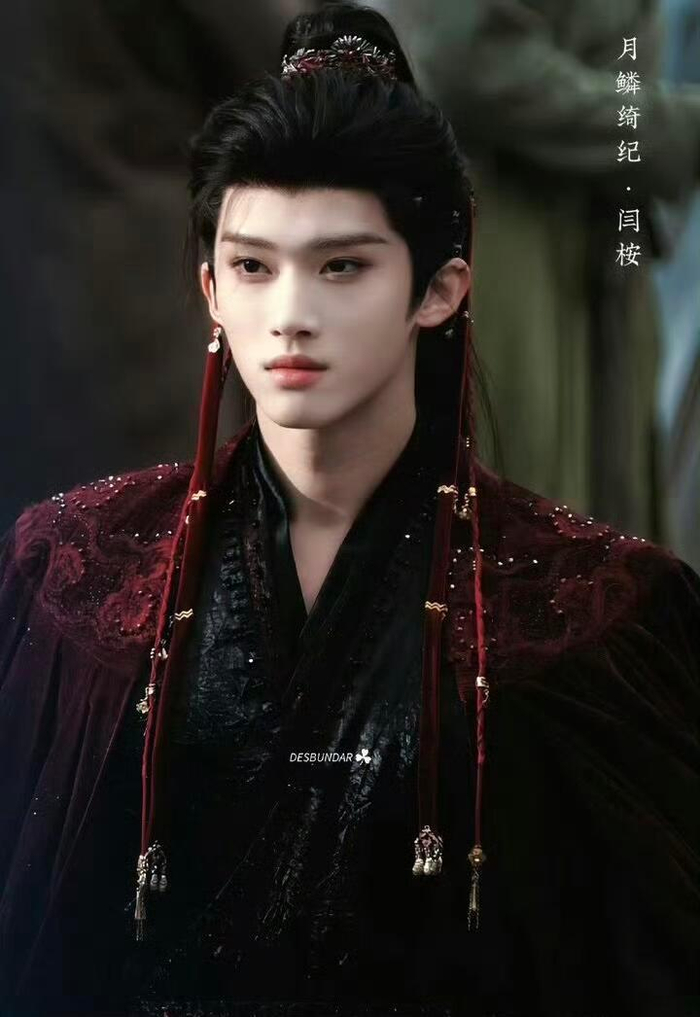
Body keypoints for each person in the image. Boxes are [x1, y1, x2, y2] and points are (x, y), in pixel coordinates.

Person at [0, 4, 698, 1016]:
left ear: (438, 290)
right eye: (253, 266)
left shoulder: (603, 613)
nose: (290, 315)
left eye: (342, 266)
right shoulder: (70, 573)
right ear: (210, 289)